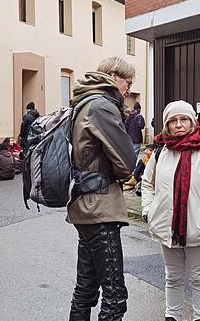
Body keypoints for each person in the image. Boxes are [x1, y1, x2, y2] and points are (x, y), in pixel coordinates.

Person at [142, 100, 200, 321]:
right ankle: (171, 316)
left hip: (197, 228)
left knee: (199, 278)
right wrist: (149, 212)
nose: (179, 125)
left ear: (193, 121)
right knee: (172, 277)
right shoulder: (161, 151)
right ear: (166, 125)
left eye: (184, 119)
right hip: (166, 227)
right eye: (173, 121)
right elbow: (147, 183)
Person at [67, 56, 136, 321]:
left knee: (84, 289)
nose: (128, 89)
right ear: (114, 76)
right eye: (127, 82)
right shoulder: (102, 106)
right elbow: (126, 162)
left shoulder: (82, 102)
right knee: (115, 296)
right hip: (100, 207)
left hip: (83, 204)